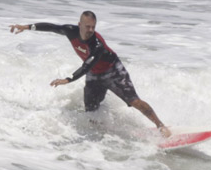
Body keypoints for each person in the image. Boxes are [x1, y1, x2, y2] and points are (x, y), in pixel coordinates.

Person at [10, 11, 171, 137]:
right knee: (91, 112)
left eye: (93, 27)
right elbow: (52, 27)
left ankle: (160, 126)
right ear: (79, 25)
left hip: (113, 70)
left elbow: (87, 65)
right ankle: (106, 134)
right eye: (87, 27)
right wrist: (27, 27)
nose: (90, 30)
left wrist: (68, 79)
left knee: (134, 101)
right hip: (94, 75)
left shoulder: (97, 45)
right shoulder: (70, 31)